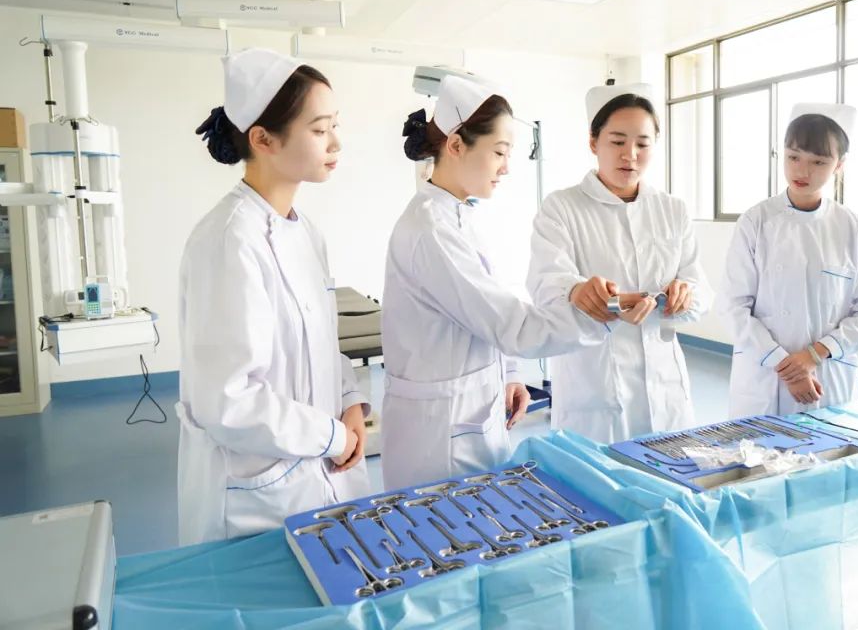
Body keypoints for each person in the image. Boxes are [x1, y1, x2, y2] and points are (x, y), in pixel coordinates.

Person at [176, 48, 369, 544]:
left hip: (322, 467)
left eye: (335, 125)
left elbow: (321, 342)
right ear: (263, 139)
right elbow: (228, 398)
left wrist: (350, 401)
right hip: (258, 493)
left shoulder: (306, 232)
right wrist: (331, 436)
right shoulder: (228, 240)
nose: (336, 142)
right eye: (320, 129)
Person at [381, 75, 607, 489]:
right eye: (499, 152)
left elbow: (485, 307)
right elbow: (510, 324)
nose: (506, 167)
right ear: (455, 145)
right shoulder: (432, 229)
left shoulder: (459, 214)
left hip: (469, 415)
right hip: (438, 439)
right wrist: (601, 315)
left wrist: (509, 374)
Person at [526, 83, 715, 443]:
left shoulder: (672, 209)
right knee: (595, 475)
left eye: (643, 143)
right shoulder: (562, 207)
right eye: (617, 141)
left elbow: (700, 287)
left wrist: (686, 294)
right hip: (594, 387)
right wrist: (577, 290)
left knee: (670, 470)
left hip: (665, 386)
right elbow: (545, 282)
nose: (630, 154)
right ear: (593, 142)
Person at [723, 103, 858, 417]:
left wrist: (814, 355)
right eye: (793, 157)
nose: (802, 171)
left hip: (827, 378)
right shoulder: (755, 221)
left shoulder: (851, 227)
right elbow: (733, 307)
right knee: (760, 448)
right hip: (764, 379)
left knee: (827, 447)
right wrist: (788, 368)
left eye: (819, 161)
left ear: (839, 165)